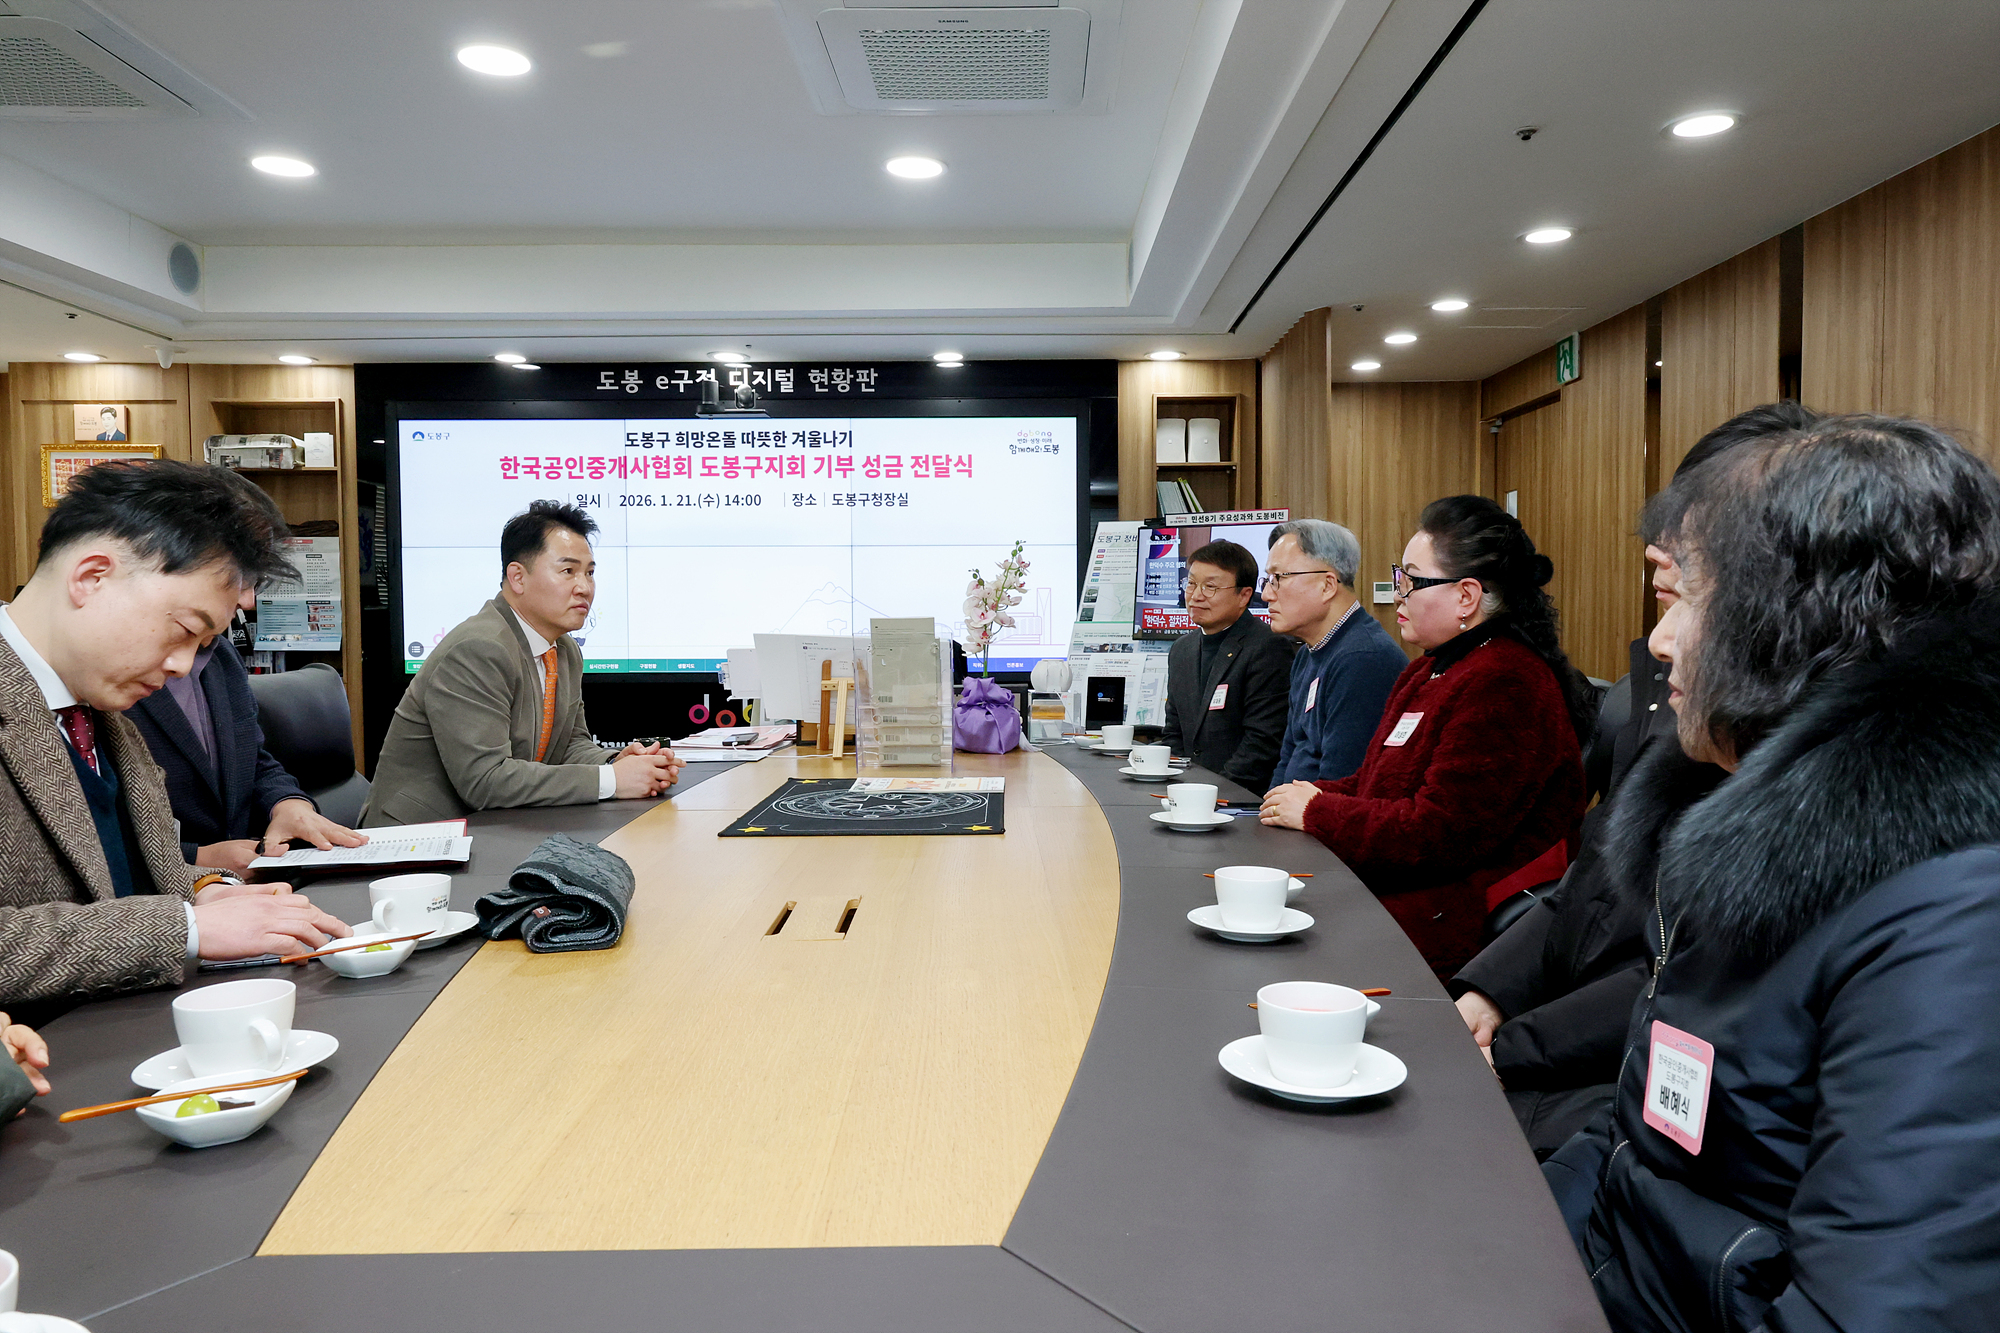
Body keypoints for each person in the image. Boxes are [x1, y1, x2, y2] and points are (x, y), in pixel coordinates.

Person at [1543, 416, 2000, 1333]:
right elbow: (1640, 1138)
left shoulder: (1954, 912)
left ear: (1795, 623)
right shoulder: (1735, 814)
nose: (1660, 642)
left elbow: (1877, 1306)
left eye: (1691, 597)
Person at [1450, 403, 1820, 1159]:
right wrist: (1490, 988)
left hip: (1604, 1071)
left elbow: (1668, 971)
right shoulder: (1669, 691)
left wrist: (1518, 1045)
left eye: (1691, 550)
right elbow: (1594, 879)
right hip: (1591, 1062)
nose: (1658, 554)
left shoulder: (1796, 775)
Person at [0, 459, 350, 1014]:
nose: (185, 666)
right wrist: (185, 927)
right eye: (184, 630)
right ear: (92, 577)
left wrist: (211, 890)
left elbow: (128, 877)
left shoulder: (101, 711)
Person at [1259, 497, 1592, 978]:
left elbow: (1442, 832)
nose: (1397, 594)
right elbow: (1376, 784)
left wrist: (1316, 810)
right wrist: (1306, 796)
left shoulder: (1506, 680)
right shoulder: (1431, 670)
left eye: (1411, 580)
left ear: (1466, 596)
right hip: (1403, 888)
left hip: (1457, 922)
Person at [363, 501, 681, 826]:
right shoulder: (478, 648)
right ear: (517, 577)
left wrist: (616, 762)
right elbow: (485, 781)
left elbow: (569, 746)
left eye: (590, 573)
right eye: (568, 571)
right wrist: (612, 780)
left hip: (492, 828)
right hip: (415, 841)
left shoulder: (565, 650)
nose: (584, 587)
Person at [130, 630, 366, 873]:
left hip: (256, 877)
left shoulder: (221, 655)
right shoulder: (117, 676)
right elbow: (103, 834)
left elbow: (253, 763)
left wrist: (288, 805)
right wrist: (196, 857)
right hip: (161, 891)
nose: (248, 601)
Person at [1261, 519, 1407, 784]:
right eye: (1267, 580)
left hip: (1322, 819)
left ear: (1327, 585)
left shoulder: (1363, 660)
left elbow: (1342, 783)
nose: (1267, 594)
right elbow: (1289, 757)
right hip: (1292, 817)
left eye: (1278, 579)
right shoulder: (1309, 651)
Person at [1157, 540, 1296, 791]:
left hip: (1241, 800)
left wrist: (1211, 793)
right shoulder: (1182, 650)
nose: (1196, 595)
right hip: (1187, 794)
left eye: (1210, 587)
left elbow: (1262, 745)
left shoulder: (1268, 648)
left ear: (1244, 595)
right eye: (1191, 584)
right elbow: (1174, 735)